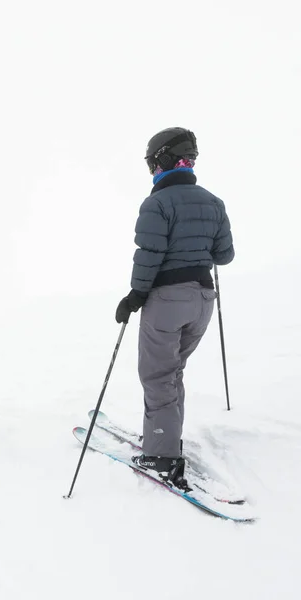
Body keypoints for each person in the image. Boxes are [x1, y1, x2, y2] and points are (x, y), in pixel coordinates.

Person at [115, 128, 234, 489]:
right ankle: (165, 436)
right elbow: (224, 255)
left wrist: (135, 295)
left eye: (153, 164)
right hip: (202, 299)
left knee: (157, 375)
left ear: (163, 162)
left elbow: (148, 255)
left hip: (168, 299)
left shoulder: (157, 203)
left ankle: (163, 455)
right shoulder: (213, 202)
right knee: (172, 371)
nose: (152, 171)